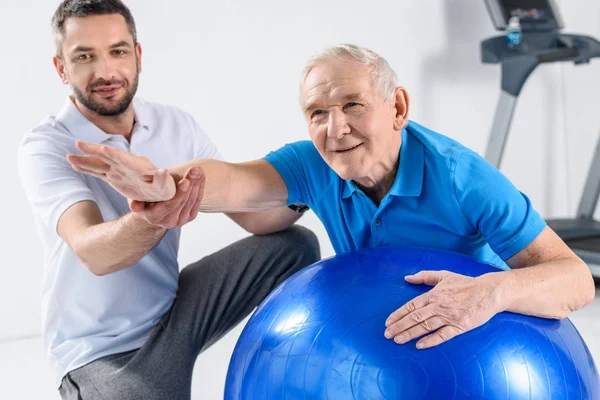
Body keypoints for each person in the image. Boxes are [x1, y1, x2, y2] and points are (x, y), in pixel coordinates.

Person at [71, 43, 597, 354]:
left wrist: (490, 292)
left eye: (352, 104)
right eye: (317, 112)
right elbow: (230, 179)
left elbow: (575, 279)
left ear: (398, 107)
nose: (335, 128)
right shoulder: (313, 163)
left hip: (472, 337)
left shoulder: (463, 178)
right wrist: (167, 182)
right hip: (375, 332)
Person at [17, 1, 320, 399]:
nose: (106, 71)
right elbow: (95, 254)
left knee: (296, 245)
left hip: (175, 312)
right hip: (103, 351)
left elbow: (254, 218)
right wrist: (156, 213)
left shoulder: (175, 125)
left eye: (118, 51)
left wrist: (314, 180)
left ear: (138, 56)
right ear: (61, 68)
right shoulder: (47, 145)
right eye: (85, 57)